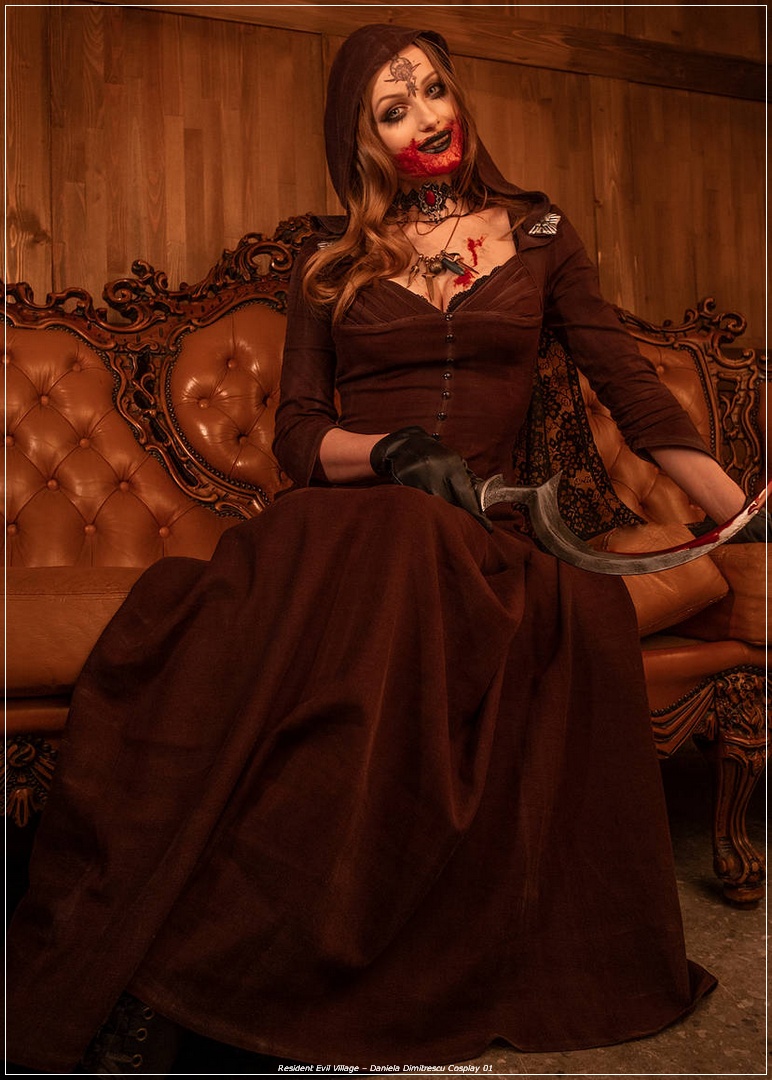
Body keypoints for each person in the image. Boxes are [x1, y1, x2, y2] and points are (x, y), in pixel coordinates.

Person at [6, 22, 757, 1075]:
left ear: (458, 100)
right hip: (357, 512)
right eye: (390, 109)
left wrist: (743, 512)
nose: (422, 119)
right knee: (365, 551)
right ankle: (238, 962)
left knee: (446, 562)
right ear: (360, 139)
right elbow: (300, 436)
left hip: (484, 528)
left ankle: (311, 953)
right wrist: (395, 450)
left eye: (430, 91)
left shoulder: (538, 234)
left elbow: (629, 387)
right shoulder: (329, 261)